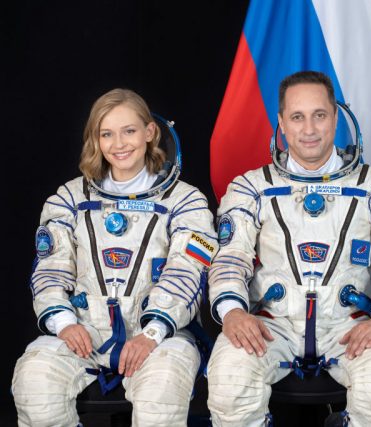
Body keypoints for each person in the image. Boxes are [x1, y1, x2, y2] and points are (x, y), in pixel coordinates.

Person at [206, 70, 371, 427]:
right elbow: (231, 256)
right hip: (272, 323)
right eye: (297, 117)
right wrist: (233, 312)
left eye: (319, 115)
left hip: (350, 323)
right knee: (230, 382)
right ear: (282, 123)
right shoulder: (250, 187)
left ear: (336, 118)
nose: (309, 129)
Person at [12, 88, 217, 427]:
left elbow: (188, 271)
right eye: (106, 133)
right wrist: (63, 323)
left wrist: (152, 332)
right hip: (84, 329)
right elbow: (50, 268)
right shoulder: (68, 198)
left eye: (129, 131)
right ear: (96, 139)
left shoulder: (186, 201)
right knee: (34, 382)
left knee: (161, 397)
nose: (119, 144)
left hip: (159, 333)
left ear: (150, 132)